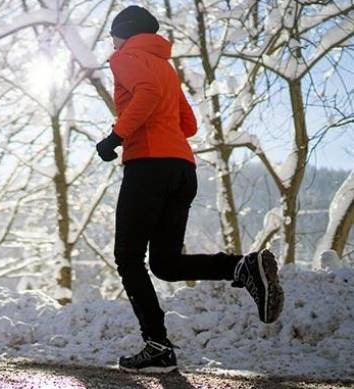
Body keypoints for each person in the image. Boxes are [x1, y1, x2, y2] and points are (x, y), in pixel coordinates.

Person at [95, 5, 285, 374]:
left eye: (114, 34)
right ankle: (242, 267)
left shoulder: (125, 58)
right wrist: (155, 134)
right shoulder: (165, 67)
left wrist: (117, 136)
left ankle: (158, 346)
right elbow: (189, 123)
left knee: (128, 257)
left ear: (126, 32)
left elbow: (147, 95)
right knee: (165, 264)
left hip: (149, 166)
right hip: (182, 168)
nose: (112, 42)